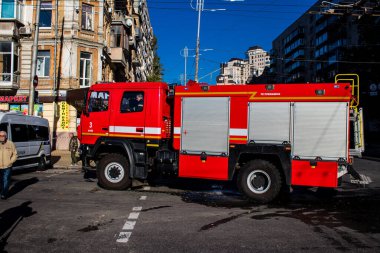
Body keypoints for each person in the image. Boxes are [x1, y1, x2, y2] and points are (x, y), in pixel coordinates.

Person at [0, 130, 18, 200]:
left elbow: (15, 154)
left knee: (6, 180)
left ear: (6, 136)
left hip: (7, 166)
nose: (1, 137)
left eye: (3, 136)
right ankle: (2, 191)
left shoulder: (10, 144)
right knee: (1, 181)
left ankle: (4, 194)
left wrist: (10, 162)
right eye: (0, 136)